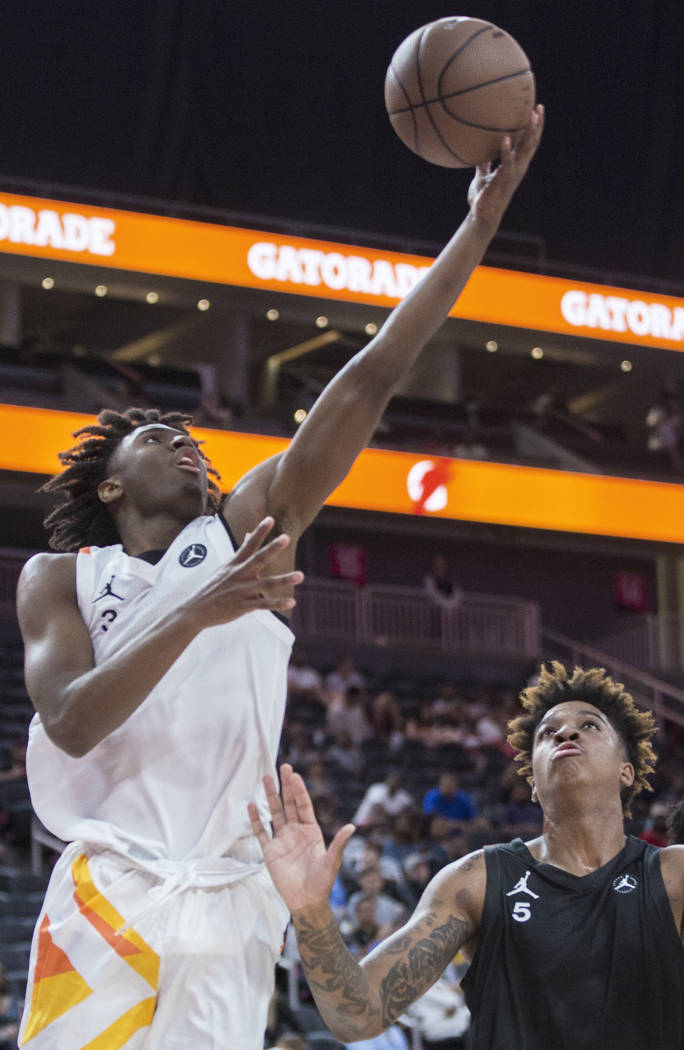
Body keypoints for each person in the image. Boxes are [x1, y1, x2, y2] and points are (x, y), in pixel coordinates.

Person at [17, 104, 544, 1050]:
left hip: (230, 894)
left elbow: (374, 374)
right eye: (156, 437)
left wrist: (480, 226)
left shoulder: (250, 529)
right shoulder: (64, 575)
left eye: (190, 437)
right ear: (108, 482)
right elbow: (71, 720)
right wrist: (199, 613)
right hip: (112, 885)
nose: (185, 443)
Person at [250, 662, 684, 1050]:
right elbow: (356, 1015)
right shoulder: (476, 881)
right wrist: (310, 910)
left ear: (627, 770)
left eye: (589, 726)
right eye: (547, 733)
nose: (565, 734)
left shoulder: (673, 875)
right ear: (532, 780)